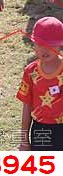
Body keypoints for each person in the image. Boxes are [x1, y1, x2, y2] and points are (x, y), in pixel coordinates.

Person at [17, 17, 63, 151]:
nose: (44, 50)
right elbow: (27, 105)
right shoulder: (30, 71)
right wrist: (24, 140)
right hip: (40, 130)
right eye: (39, 44)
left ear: (60, 45)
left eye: (50, 45)